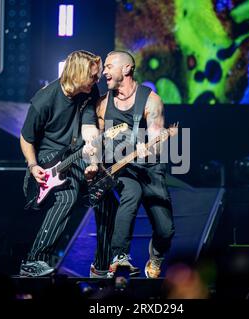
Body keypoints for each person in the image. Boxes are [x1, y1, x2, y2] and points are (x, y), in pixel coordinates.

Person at [19, 50, 101, 277]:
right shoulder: (45, 99)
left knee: (105, 190)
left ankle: (104, 262)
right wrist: (33, 166)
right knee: (67, 195)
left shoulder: (89, 92)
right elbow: (26, 138)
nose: (97, 81)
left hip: (72, 157)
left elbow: (89, 127)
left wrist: (94, 159)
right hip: (45, 159)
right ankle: (34, 260)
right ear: (77, 73)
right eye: (93, 76)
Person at [95, 50, 175, 278]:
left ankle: (156, 258)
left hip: (149, 169)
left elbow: (157, 144)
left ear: (127, 69)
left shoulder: (151, 100)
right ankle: (119, 257)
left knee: (165, 230)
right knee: (130, 195)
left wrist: (144, 146)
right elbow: (97, 140)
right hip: (121, 169)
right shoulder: (103, 104)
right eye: (104, 67)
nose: (104, 72)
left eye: (109, 66)